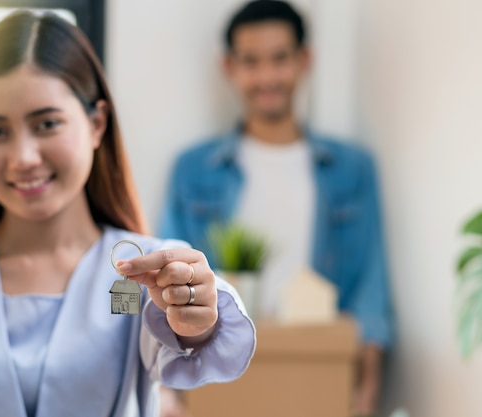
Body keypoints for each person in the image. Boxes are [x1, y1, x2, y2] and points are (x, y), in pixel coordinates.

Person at [0, 11, 255, 417]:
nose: (23, 158)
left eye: (47, 123)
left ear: (96, 123)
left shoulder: (144, 274)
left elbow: (192, 335)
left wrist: (199, 318)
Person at [160, 1, 393, 415]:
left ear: (305, 60)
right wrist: (169, 393)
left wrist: (367, 389)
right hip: (219, 376)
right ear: (229, 67)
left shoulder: (351, 170)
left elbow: (370, 289)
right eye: (251, 61)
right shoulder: (193, 171)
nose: (267, 76)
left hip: (317, 375)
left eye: (279, 59)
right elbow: (166, 284)